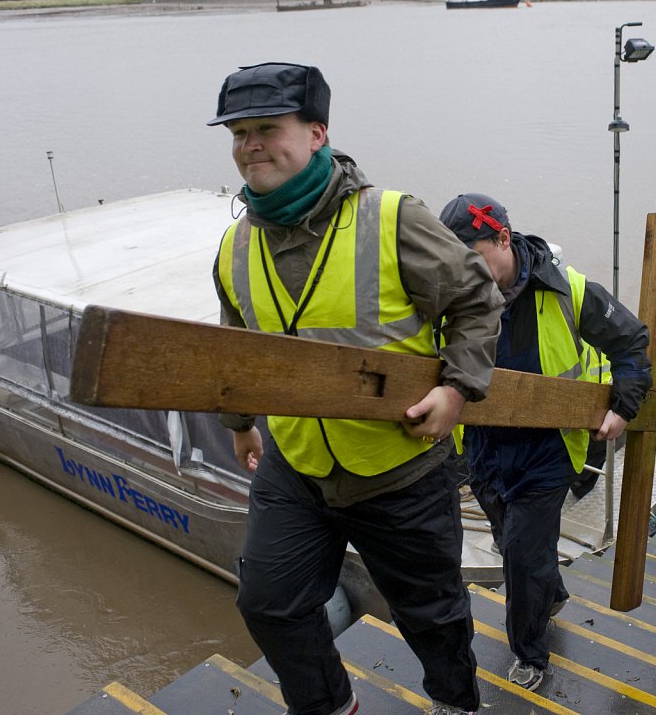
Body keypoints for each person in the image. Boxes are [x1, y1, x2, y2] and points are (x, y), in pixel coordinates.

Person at [208, 63, 504, 715]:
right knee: (268, 600)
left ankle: (458, 703)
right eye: (238, 133)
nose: (249, 145)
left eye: (267, 129)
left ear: (317, 133)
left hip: (399, 468)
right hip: (298, 467)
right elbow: (237, 348)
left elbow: (478, 303)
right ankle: (330, 707)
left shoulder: (394, 218)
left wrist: (456, 392)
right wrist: (240, 425)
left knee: (432, 614)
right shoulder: (233, 245)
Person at [437, 193, 652, 691]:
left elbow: (631, 341)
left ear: (503, 239)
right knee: (513, 542)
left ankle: (530, 653)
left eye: (473, 255)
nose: (464, 269)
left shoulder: (566, 290)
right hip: (486, 448)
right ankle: (550, 595)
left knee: (521, 554)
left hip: (549, 450)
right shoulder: (454, 298)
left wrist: (624, 407)